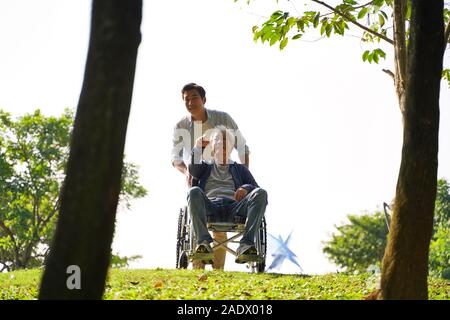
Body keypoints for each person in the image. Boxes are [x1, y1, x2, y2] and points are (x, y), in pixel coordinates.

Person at [172, 83, 250, 269]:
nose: (190, 102)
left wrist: (244, 176)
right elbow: (175, 158)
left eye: (194, 98)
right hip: (196, 175)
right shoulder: (181, 126)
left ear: (204, 100)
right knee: (197, 218)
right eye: (186, 99)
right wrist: (186, 173)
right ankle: (198, 268)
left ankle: (217, 270)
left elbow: (243, 148)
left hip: (221, 175)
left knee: (220, 226)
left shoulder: (223, 118)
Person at [187, 126, 267, 264]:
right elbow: (193, 168)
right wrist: (198, 147)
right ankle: (203, 243)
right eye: (217, 140)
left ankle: (246, 244)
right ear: (211, 147)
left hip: (234, 208)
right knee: (193, 191)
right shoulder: (204, 167)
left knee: (261, 193)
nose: (221, 143)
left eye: (225, 140)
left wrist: (245, 188)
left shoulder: (240, 169)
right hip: (210, 207)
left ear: (230, 147)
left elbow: (256, 189)